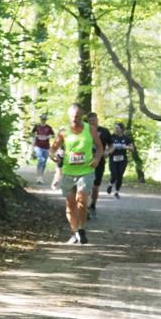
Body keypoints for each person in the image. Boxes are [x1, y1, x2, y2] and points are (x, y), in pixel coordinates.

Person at [49, 104, 101, 244]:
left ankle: (82, 229)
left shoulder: (90, 129)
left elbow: (100, 147)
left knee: (82, 200)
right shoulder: (63, 131)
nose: (74, 119)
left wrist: (96, 159)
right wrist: (52, 156)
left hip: (86, 171)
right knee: (70, 204)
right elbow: (53, 148)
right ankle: (75, 232)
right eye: (72, 116)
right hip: (68, 172)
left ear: (82, 115)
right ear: (68, 115)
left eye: (77, 116)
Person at [86, 112, 113, 219]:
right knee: (85, 185)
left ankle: (93, 205)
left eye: (94, 120)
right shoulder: (84, 130)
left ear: (97, 120)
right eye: (90, 121)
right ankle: (84, 207)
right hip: (86, 161)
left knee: (95, 187)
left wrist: (108, 152)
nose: (92, 123)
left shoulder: (104, 131)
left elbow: (111, 145)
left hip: (99, 161)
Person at [107, 122, 134, 198]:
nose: (115, 129)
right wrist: (111, 148)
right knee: (114, 174)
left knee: (120, 176)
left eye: (117, 128)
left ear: (122, 129)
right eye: (115, 128)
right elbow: (106, 147)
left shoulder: (126, 138)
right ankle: (110, 185)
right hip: (113, 159)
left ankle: (116, 192)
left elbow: (132, 148)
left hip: (122, 160)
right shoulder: (111, 137)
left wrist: (124, 147)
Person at [29, 115, 55, 184]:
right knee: (41, 159)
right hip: (38, 146)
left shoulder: (49, 127)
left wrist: (49, 136)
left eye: (44, 119)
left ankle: (41, 176)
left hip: (46, 146)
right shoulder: (37, 126)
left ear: (46, 120)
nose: (43, 120)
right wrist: (36, 136)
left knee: (44, 162)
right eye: (42, 119)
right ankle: (38, 177)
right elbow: (31, 134)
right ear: (40, 119)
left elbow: (53, 135)